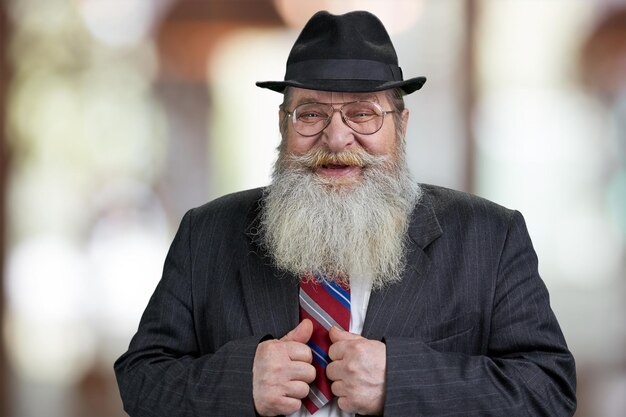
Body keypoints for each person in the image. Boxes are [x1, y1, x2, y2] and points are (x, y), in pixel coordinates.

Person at [114, 10, 577, 417]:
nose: (336, 140)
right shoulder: (207, 233)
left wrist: (401, 381)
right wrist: (240, 382)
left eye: (362, 114)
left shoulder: (491, 237)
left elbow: (548, 390)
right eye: (311, 114)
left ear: (401, 124)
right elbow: (141, 380)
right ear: (283, 124)